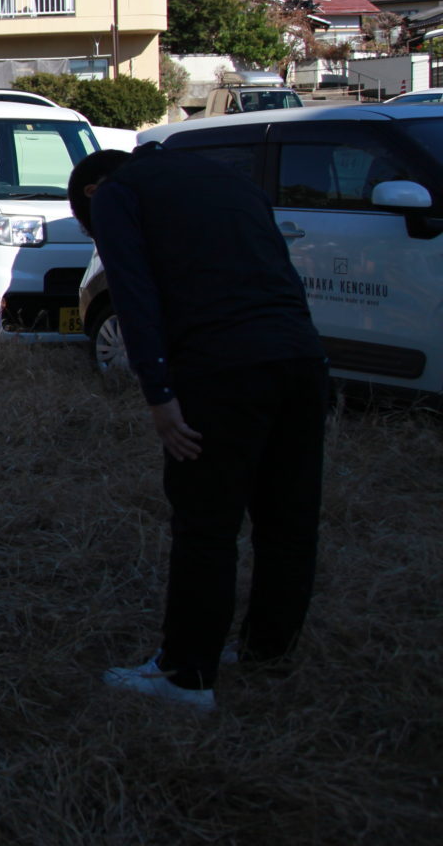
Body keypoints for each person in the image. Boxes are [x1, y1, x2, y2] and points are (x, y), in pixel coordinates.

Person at [70, 146, 328, 711]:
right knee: (288, 522)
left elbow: (133, 293)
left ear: (92, 192)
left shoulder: (119, 194)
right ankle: (268, 651)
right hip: (302, 362)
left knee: (206, 527)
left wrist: (159, 393)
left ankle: (186, 676)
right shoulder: (226, 177)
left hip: (222, 372)